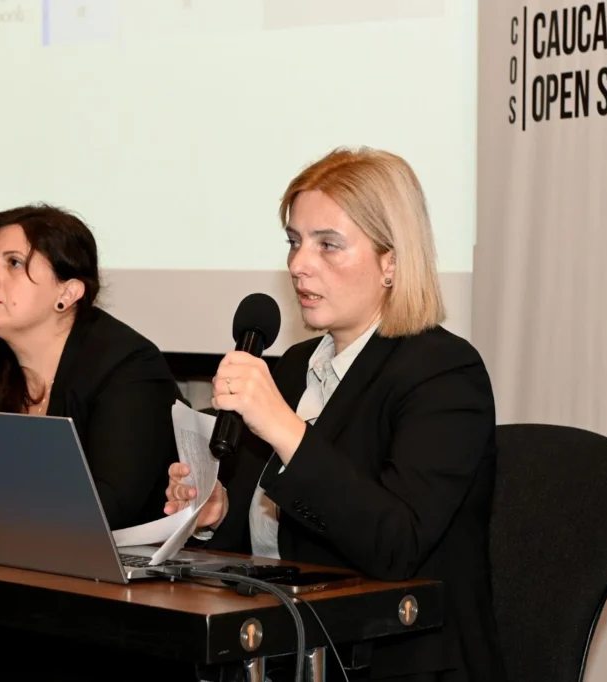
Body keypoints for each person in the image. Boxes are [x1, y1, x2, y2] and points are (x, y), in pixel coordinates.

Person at [165, 148, 508, 682]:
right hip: (288, 652)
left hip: (395, 664)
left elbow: (395, 546)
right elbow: (275, 541)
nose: (299, 264)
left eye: (328, 244)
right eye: (294, 242)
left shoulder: (443, 372)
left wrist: (283, 427)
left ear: (391, 262)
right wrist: (216, 515)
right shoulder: (295, 366)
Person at [0, 203, 189, 681]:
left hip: (116, 613)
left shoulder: (127, 367)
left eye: (13, 263)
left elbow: (106, 506)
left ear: (67, 292)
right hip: (17, 599)